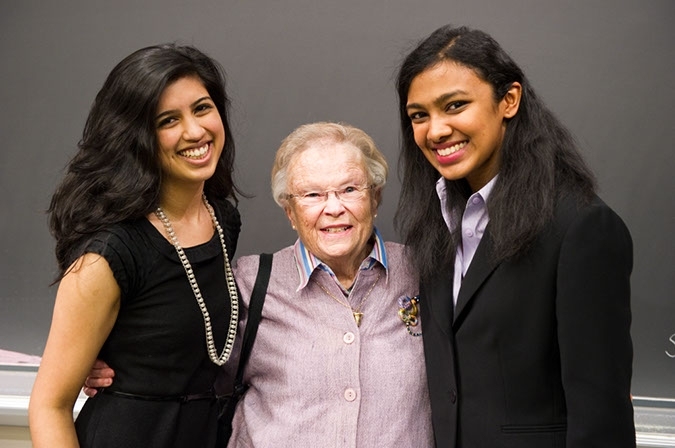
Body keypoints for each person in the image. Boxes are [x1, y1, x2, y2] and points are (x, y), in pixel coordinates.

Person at [84, 122, 434, 447]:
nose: (333, 207)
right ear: (290, 213)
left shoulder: (426, 271)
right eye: (312, 195)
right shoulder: (251, 284)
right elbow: (179, 356)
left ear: (375, 199)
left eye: (349, 189)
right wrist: (105, 356)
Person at [395, 25, 635, 447]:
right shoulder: (435, 223)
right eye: (419, 115)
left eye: (455, 106)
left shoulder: (581, 228)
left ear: (509, 101)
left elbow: (602, 418)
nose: (435, 130)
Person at [29, 44, 242, 447]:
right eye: (168, 120)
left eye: (201, 108)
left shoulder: (222, 220)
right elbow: (48, 405)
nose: (195, 132)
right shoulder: (109, 253)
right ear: (136, 136)